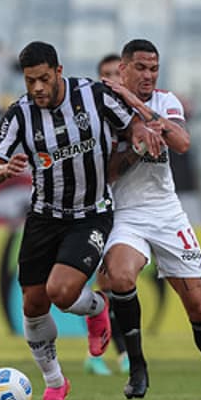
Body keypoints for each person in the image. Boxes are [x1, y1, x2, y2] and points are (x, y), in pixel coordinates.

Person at [0, 41, 162, 400]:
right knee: (33, 304)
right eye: (31, 81)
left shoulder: (93, 96)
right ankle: (55, 383)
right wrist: (1, 170)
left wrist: (142, 136)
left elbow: (133, 126)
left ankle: (96, 308)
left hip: (90, 213)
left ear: (58, 71)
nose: (38, 89)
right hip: (44, 216)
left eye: (44, 79)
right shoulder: (20, 114)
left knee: (61, 292)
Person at [100, 39, 201, 400]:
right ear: (123, 69)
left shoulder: (167, 102)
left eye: (154, 69)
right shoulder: (103, 109)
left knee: (198, 304)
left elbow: (181, 142)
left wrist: (139, 108)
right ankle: (137, 365)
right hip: (126, 211)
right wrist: (135, 148)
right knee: (119, 277)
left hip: (167, 212)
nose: (149, 76)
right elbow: (107, 173)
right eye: (141, 69)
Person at [83, 52, 130, 377]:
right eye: (106, 74)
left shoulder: (133, 114)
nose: (112, 78)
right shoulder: (91, 116)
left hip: (130, 208)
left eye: (117, 72)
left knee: (120, 281)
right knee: (107, 280)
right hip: (99, 206)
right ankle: (110, 354)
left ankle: (109, 352)